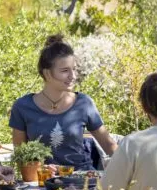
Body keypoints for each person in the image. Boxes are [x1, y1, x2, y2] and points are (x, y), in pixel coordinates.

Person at [9, 34, 118, 170]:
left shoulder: (84, 103)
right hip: (43, 182)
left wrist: (133, 170)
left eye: (74, 69)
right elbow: (21, 157)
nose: (73, 76)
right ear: (47, 73)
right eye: (65, 71)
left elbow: (109, 146)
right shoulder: (23, 107)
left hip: (83, 181)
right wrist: (41, 170)